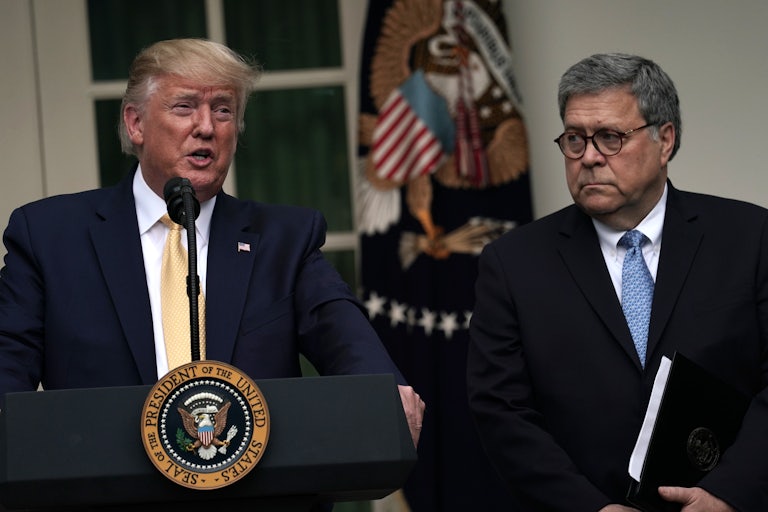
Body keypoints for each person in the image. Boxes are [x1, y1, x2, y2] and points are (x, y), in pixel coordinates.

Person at [0, 38, 424, 445]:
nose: (206, 127)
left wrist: (386, 392)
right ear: (135, 124)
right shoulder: (50, 236)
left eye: (222, 110)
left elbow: (346, 340)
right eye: (185, 107)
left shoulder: (283, 241)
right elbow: (9, 365)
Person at [467, 53, 768, 512]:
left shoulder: (751, 239)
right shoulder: (512, 264)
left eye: (609, 137)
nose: (588, 157)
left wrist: (728, 494)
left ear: (664, 140)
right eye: (574, 139)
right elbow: (501, 411)